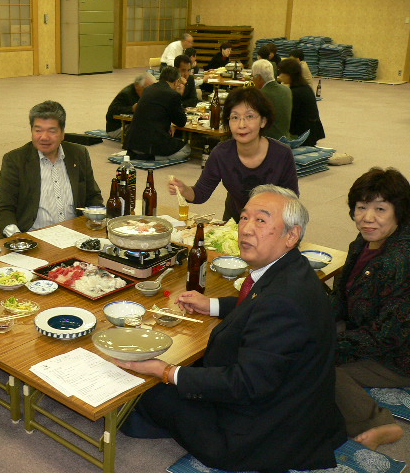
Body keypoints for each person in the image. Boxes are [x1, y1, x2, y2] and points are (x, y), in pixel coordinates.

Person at [118, 185, 346, 472]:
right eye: (244, 218)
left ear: (292, 235)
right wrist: (212, 305)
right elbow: (257, 305)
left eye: (261, 220)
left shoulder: (284, 302)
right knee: (185, 371)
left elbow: (245, 384)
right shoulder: (292, 271)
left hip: (260, 432)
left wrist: (166, 372)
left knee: (150, 390)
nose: (246, 229)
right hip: (292, 405)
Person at [330, 167, 410, 450]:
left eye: (380, 209)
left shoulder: (399, 261)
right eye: (361, 207)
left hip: (398, 354)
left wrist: (331, 345)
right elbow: (342, 295)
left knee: (320, 364)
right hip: (364, 327)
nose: (367, 217)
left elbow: (388, 336)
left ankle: (378, 424)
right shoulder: (365, 240)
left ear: (399, 212)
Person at [168, 86, 298, 222]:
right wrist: (184, 190)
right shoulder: (221, 154)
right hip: (234, 224)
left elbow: (292, 202)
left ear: (263, 121)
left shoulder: (281, 154)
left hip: (271, 223)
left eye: (249, 116)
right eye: (235, 117)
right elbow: (200, 193)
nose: (241, 125)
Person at [0, 101, 103, 237]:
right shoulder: (15, 160)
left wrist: (95, 221)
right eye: (38, 130)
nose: (44, 137)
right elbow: (4, 208)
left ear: (62, 133)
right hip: (32, 236)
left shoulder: (78, 154)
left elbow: (93, 196)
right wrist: (16, 236)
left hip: (75, 233)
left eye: (52, 131)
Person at [124, 67, 191, 162]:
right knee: (186, 149)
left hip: (133, 143)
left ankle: (144, 155)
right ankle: (152, 158)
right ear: (176, 81)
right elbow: (181, 122)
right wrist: (179, 94)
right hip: (151, 144)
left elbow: (155, 112)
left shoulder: (148, 89)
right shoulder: (173, 94)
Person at [278, 58, 325, 146]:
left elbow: (290, 118)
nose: (280, 76)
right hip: (311, 131)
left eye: (281, 73)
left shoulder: (295, 92)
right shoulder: (304, 87)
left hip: (304, 135)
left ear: (289, 74)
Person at [105, 72, 155, 139]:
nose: (150, 91)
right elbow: (112, 111)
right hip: (117, 128)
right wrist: (131, 109)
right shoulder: (125, 94)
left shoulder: (145, 93)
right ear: (137, 85)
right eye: (147, 88)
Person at [252, 59, 292, 140]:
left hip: (267, 140)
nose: (252, 80)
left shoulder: (259, 95)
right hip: (285, 138)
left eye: (252, 76)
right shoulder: (287, 90)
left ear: (258, 77)